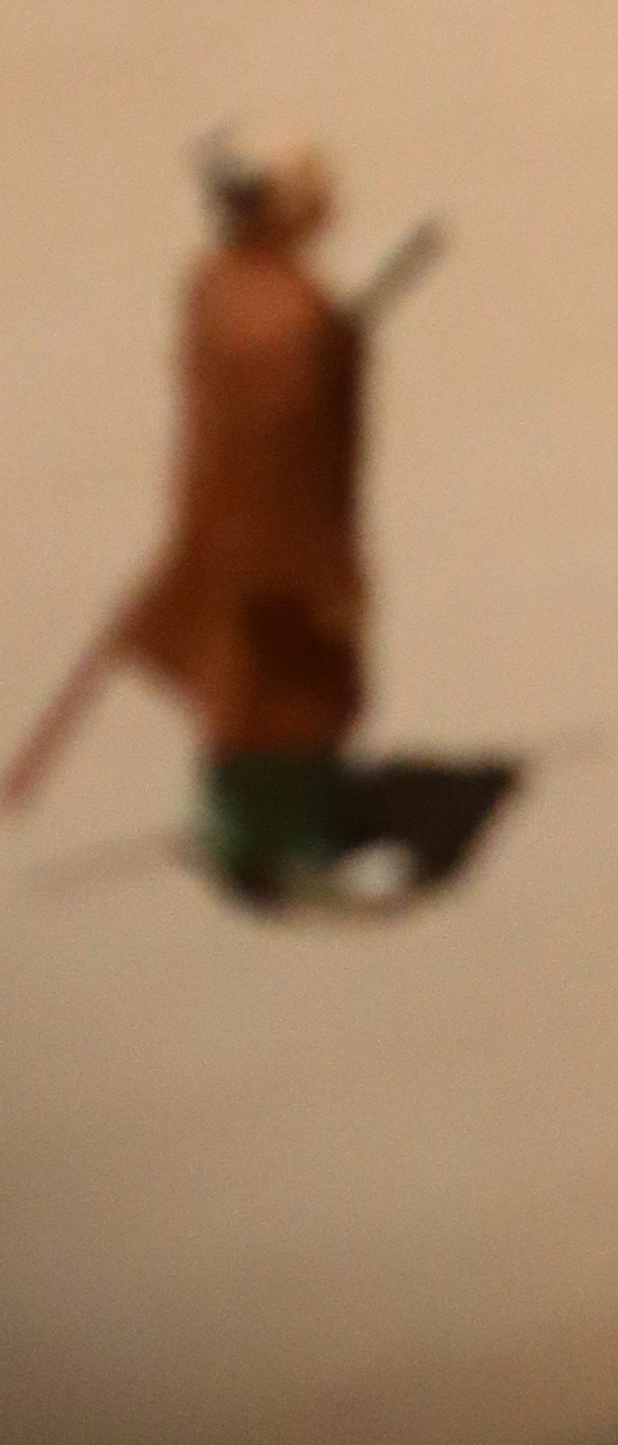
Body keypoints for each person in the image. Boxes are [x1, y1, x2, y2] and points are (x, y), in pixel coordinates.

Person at [96, 144, 404, 907]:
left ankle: (241, 827)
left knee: (237, 683)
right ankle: (285, 855)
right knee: (284, 689)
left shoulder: (219, 284)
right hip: (277, 540)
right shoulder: (293, 318)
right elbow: (284, 445)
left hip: (217, 521)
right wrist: (321, 569)